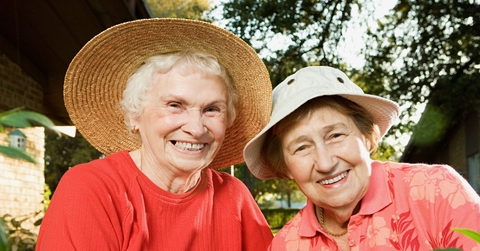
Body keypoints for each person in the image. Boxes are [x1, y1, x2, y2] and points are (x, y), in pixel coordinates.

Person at [36, 18, 274, 250]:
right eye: (175, 105)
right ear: (134, 115)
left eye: (212, 109)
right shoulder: (92, 189)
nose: (196, 128)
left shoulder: (234, 197)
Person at [243, 66, 480, 250]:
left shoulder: (437, 191)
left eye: (335, 135)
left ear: (367, 137)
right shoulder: (285, 246)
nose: (325, 163)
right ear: (285, 166)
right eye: (302, 148)